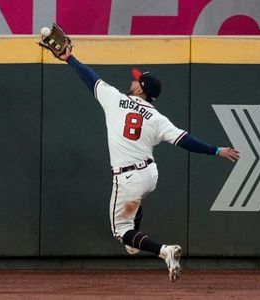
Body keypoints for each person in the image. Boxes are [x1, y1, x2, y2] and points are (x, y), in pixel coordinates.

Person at [58, 47, 240, 282]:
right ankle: (135, 232)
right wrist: (217, 150)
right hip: (149, 175)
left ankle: (165, 251)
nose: (133, 81)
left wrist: (69, 58)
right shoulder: (157, 118)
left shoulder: (115, 99)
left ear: (141, 89)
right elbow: (186, 141)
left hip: (127, 178)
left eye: (137, 80)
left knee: (121, 232)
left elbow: (89, 77)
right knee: (135, 203)